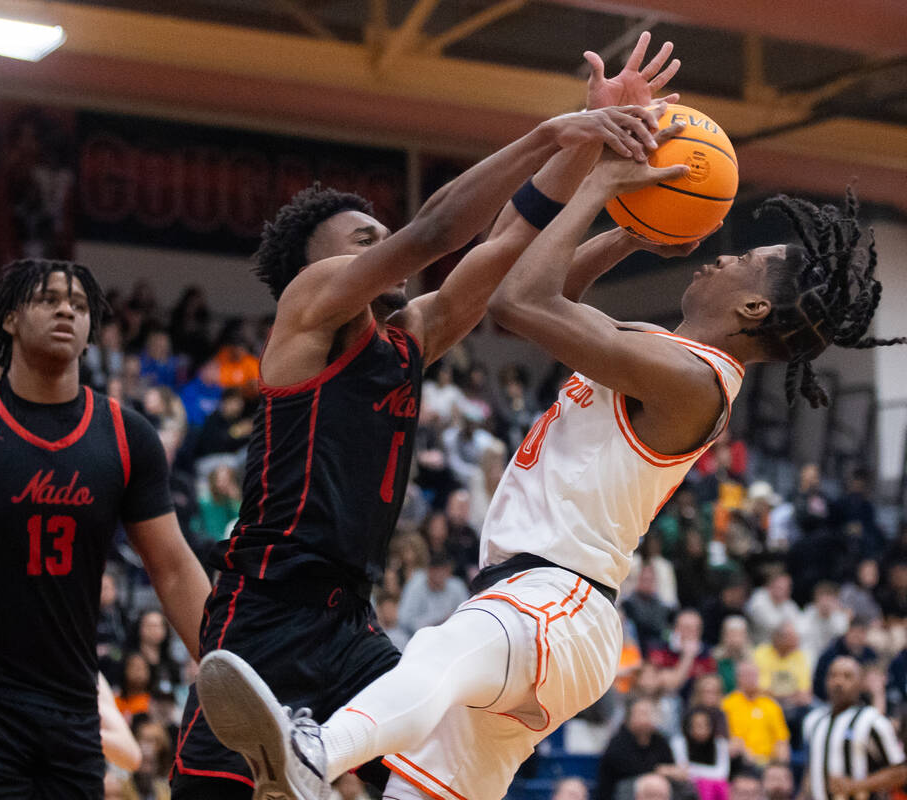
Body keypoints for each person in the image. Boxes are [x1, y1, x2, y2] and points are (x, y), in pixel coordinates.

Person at [194, 58, 905, 800]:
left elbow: (519, 292)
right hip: (337, 598)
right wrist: (613, 207)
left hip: (550, 600)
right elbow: (515, 274)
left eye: (746, 260)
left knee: (437, 655)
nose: (725, 252)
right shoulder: (653, 353)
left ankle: (317, 752)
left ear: (756, 312)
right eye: (364, 241)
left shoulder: (686, 378)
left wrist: (598, 175)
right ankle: (314, 754)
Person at [178, 31, 680, 799]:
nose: (383, 245)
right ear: (321, 266)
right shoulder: (307, 314)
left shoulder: (411, 338)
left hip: (351, 621)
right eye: (362, 240)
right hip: (265, 607)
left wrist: (619, 185)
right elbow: (438, 231)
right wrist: (555, 132)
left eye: (379, 235)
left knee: (435, 769)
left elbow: (507, 241)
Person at [0, 259, 211, 798]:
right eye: (48, 298)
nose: (66, 309)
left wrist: (224, 669)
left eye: (78, 303)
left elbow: (171, 567)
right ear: (9, 318)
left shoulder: (127, 436)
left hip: (74, 704)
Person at [804, 657, 905, 800]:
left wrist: (857, 786)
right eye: (833, 675)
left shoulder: (873, 720)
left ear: (860, 683)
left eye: (847, 676)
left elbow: (901, 772)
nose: (838, 682)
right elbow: (811, 771)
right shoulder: (813, 721)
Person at [721, 661, 790, 767]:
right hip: (739, 760)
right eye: (746, 675)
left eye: (754, 675)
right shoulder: (727, 704)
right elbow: (725, 738)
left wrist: (781, 764)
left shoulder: (771, 705)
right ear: (737, 678)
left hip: (768, 763)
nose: (751, 679)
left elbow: (781, 740)